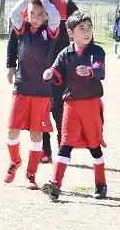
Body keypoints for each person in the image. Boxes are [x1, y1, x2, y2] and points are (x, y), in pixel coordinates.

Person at [6, 0, 79, 158]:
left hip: (62, 66)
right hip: (36, 70)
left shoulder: (65, 6)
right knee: (41, 110)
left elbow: (82, 31)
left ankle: (63, 147)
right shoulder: (26, 9)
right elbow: (14, 39)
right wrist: (11, 64)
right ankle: (45, 151)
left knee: (58, 107)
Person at [43, 11, 108, 202]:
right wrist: (50, 73)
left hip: (91, 105)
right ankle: (55, 185)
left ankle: (101, 184)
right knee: (65, 144)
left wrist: (90, 71)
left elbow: (100, 69)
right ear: (71, 33)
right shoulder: (65, 53)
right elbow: (57, 73)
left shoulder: (97, 51)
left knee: (94, 146)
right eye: (82, 29)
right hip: (70, 106)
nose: (87, 32)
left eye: (89, 28)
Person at [4, 0, 62, 189]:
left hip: (42, 92)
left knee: (37, 135)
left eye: (40, 14)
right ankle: (14, 161)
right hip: (22, 89)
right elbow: (14, 12)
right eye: (32, 14)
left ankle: (31, 175)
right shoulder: (22, 29)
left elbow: (55, 15)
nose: (36, 18)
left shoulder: (50, 32)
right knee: (12, 131)